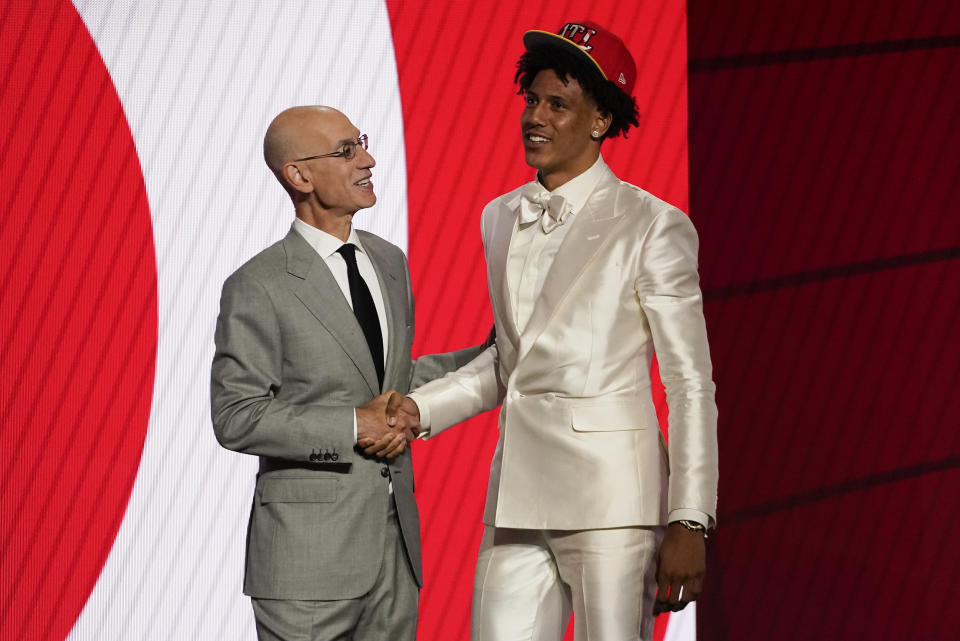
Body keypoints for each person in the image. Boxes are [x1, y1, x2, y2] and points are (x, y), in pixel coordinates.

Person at [393, 21, 719, 641]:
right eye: (531, 99)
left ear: (600, 121)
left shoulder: (654, 225)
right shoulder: (499, 216)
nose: (534, 116)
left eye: (557, 104)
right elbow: (507, 363)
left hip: (613, 506)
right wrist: (417, 409)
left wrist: (690, 518)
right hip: (514, 500)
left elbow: (689, 384)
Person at [211, 106, 483, 641]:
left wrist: (494, 352)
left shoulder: (388, 260)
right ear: (300, 175)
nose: (368, 159)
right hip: (306, 565)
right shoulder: (258, 284)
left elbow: (393, 384)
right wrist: (352, 426)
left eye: (361, 143)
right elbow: (236, 415)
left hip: (394, 554)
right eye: (346, 151)